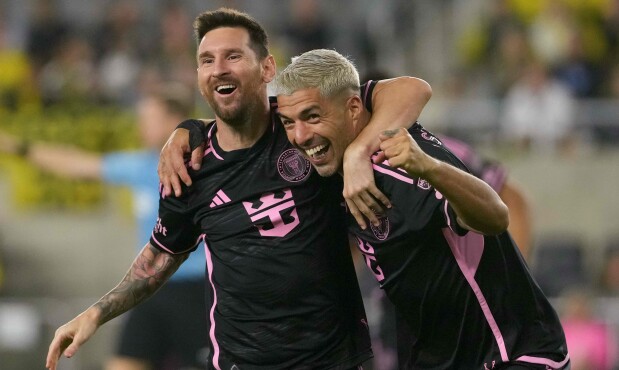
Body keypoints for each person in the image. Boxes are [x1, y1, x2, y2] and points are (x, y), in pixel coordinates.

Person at [46, 8, 433, 370]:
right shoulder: (190, 169)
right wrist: (95, 313)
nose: (218, 69)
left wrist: (357, 154)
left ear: (267, 68)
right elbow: (161, 257)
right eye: (207, 60)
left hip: (338, 359)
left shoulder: (304, 124)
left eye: (232, 56)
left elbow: (412, 89)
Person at [273, 49, 570, 369]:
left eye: (313, 117)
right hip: (439, 353)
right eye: (289, 122)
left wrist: (429, 167)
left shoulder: (402, 164)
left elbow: (497, 215)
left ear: (355, 107)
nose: (300, 135)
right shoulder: (331, 169)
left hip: (509, 351)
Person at [0, 84, 209, 369]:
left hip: (198, 291)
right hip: (149, 289)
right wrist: (18, 147)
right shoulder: (143, 165)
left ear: (178, 122)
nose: (141, 126)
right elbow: (77, 165)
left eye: (149, 118)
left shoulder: (206, 166)